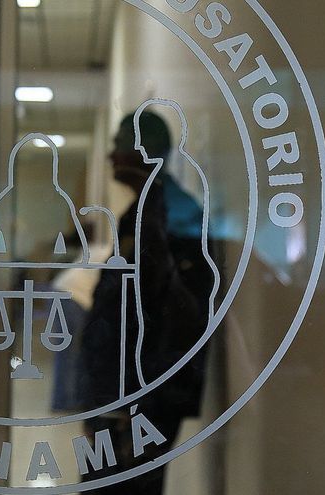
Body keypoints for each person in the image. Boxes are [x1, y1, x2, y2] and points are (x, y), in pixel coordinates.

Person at [81, 104, 218, 494]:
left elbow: (179, 313)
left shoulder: (172, 215)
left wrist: (136, 400)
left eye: (119, 145)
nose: (111, 155)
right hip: (125, 395)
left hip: (139, 398)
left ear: (143, 150)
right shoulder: (148, 209)